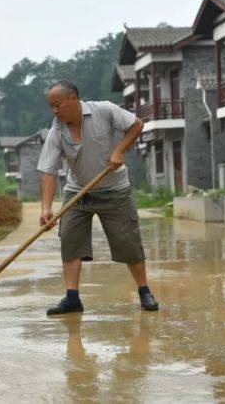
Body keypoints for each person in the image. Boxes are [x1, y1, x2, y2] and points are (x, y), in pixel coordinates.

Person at [37, 79, 158, 315]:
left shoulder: (104, 110)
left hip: (114, 190)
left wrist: (119, 149)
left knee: (128, 243)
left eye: (58, 104)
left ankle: (145, 292)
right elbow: (48, 172)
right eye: (51, 106)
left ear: (73, 99)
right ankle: (72, 298)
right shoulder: (56, 131)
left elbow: (137, 125)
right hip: (78, 192)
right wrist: (46, 208)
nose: (54, 110)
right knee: (69, 241)